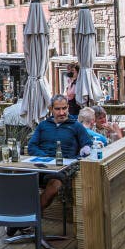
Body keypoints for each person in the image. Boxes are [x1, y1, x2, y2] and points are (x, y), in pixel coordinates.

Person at [24, 95, 93, 230]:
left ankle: (28, 217)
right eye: (57, 109)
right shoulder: (43, 125)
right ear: (51, 109)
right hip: (41, 165)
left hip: (63, 168)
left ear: (68, 107)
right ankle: (20, 215)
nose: (61, 113)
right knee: (17, 177)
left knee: (55, 184)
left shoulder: (76, 126)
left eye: (64, 108)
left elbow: (87, 144)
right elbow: (32, 146)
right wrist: (46, 158)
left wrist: (85, 149)